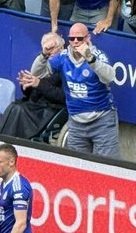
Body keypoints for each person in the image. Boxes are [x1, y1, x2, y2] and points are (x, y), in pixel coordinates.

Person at [49, 23, 121, 159]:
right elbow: (39, 71)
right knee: (77, 168)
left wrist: (91, 59)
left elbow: (110, 77)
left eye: (80, 38)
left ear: (88, 38)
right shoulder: (63, 57)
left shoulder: (97, 56)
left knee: (107, 167)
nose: (75, 42)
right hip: (76, 123)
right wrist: (43, 55)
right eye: (72, 38)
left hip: (102, 119)